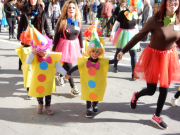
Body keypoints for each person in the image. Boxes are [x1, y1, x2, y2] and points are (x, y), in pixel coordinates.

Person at [117, 0, 180, 129]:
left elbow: (178, 39)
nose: (173, 3)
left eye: (176, 1)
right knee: (151, 91)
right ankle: (136, 95)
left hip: (169, 57)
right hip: (154, 57)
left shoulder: (178, 19)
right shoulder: (155, 20)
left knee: (164, 89)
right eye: (170, 1)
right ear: (165, 3)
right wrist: (123, 51)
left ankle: (157, 115)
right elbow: (138, 36)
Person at [65, 31, 118, 117]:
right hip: (88, 81)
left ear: (99, 52)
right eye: (93, 51)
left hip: (98, 81)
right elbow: (77, 66)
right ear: (89, 52)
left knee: (97, 91)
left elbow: (111, 61)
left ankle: (95, 104)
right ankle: (88, 107)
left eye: (97, 51)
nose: (95, 53)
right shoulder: (86, 61)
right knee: (88, 92)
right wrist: (69, 72)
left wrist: (118, 58)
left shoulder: (102, 61)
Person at [26, 25, 67, 115]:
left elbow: (58, 67)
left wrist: (65, 73)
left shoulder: (52, 57)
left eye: (44, 50)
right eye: (40, 51)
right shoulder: (35, 57)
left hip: (48, 79)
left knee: (48, 93)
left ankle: (48, 106)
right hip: (37, 80)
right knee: (39, 93)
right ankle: (40, 104)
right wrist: (32, 54)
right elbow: (28, 62)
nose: (43, 53)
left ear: (48, 48)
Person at [17, 0, 53, 99]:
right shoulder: (24, 9)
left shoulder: (41, 10)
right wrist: (19, 36)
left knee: (36, 65)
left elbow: (46, 25)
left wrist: (50, 37)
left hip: (39, 41)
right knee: (28, 66)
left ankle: (35, 84)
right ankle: (29, 89)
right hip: (28, 41)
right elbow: (21, 24)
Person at [52, 0, 84, 96]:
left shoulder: (78, 21)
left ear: (76, 9)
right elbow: (57, 35)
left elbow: (80, 35)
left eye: (73, 8)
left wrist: (82, 46)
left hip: (74, 45)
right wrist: (53, 48)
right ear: (66, 9)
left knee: (67, 65)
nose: (71, 9)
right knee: (69, 66)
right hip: (64, 45)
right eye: (69, 7)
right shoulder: (62, 21)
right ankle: (73, 87)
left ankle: (60, 75)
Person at [109, 1, 140, 79]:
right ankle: (115, 65)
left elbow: (136, 26)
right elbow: (116, 24)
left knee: (134, 54)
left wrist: (138, 35)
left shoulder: (135, 14)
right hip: (122, 35)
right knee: (118, 52)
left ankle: (134, 72)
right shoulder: (122, 13)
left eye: (136, 7)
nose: (134, 8)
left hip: (132, 35)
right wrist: (112, 33)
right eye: (133, 6)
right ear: (129, 5)